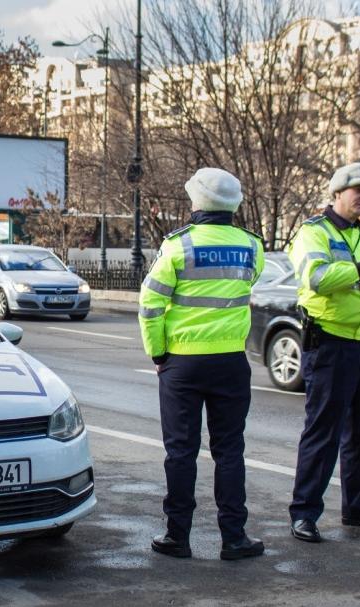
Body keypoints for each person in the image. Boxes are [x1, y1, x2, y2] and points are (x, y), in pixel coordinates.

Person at [139, 167, 266, 561]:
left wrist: (159, 354)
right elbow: (249, 283)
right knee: (230, 451)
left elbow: (150, 306)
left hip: (183, 364)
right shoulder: (251, 246)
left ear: (197, 202)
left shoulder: (178, 246)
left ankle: (178, 536)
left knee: (181, 452)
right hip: (231, 361)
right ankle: (234, 538)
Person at [286, 163, 360, 544]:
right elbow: (317, 280)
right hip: (329, 342)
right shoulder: (312, 232)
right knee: (323, 431)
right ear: (337, 193)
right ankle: (304, 511)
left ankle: (357, 505)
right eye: (357, 190)